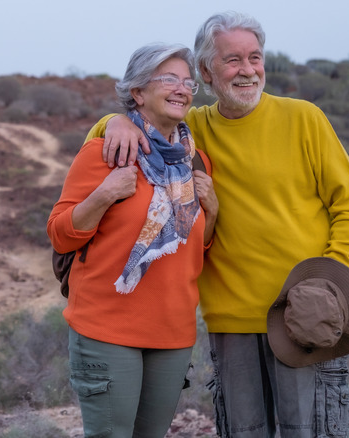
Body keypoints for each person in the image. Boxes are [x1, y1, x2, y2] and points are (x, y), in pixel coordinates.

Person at [85, 11, 349, 438]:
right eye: (232, 60)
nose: (247, 71)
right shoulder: (192, 128)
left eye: (254, 58)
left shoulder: (304, 118)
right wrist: (119, 120)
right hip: (232, 321)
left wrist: (329, 279)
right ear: (206, 70)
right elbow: (104, 137)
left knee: (312, 432)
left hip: (307, 315)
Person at [47, 43, 218, 437]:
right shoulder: (105, 151)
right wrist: (105, 193)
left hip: (172, 334)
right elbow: (60, 234)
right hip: (108, 330)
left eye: (187, 81)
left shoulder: (194, 161)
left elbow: (196, 250)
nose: (182, 88)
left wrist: (215, 208)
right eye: (169, 79)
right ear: (138, 92)